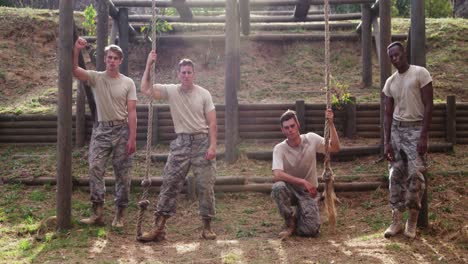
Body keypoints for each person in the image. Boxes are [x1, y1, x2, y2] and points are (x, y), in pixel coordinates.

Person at [137, 51, 218, 242]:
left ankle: (207, 227)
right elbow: (145, 89)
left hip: (201, 142)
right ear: (178, 74)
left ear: (194, 74)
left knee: (205, 186)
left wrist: (213, 146)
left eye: (189, 72)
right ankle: (159, 228)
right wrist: (149, 65)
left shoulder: (204, 94)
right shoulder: (171, 90)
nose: (186, 75)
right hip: (181, 144)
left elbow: (212, 123)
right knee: (170, 183)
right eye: (183, 72)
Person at [72, 37, 137, 228]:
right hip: (101, 130)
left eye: (115, 58)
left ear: (120, 61)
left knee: (122, 174)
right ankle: (97, 212)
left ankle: (120, 213)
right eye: (109, 57)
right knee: (94, 167)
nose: (112, 61)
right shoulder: (96, 77)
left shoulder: (128, 83)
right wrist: (77, 50)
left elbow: (132, 111)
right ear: (105, 59)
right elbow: (75, 70)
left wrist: (132, 137)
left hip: (122, 130)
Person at [383, 41, 433, 239]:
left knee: (416, 177)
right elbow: (387, 114)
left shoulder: (420, 73)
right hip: (397, 130)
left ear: (404, 53)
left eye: (397, 54)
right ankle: (395, 220)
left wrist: (423, 135)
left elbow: (429, 105)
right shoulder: (390, 82)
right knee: (395, 175)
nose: (395, 59)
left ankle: (411, 221)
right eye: (391, 57)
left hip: (416, 129)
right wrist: (387, 141)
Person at [271, 109, 340, 239]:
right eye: (286, 128)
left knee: (310, 231)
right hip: (290, 190)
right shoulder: (279, 148)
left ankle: (300, 216)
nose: (290, 130)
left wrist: (331, 124)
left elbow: (335, 147)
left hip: (308, 192)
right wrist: (302, 181)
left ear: (298, 125)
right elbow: (277, 174)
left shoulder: (311, 139)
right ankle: (290, 224)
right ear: (282, 130)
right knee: (278, 187)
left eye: (292, 126)